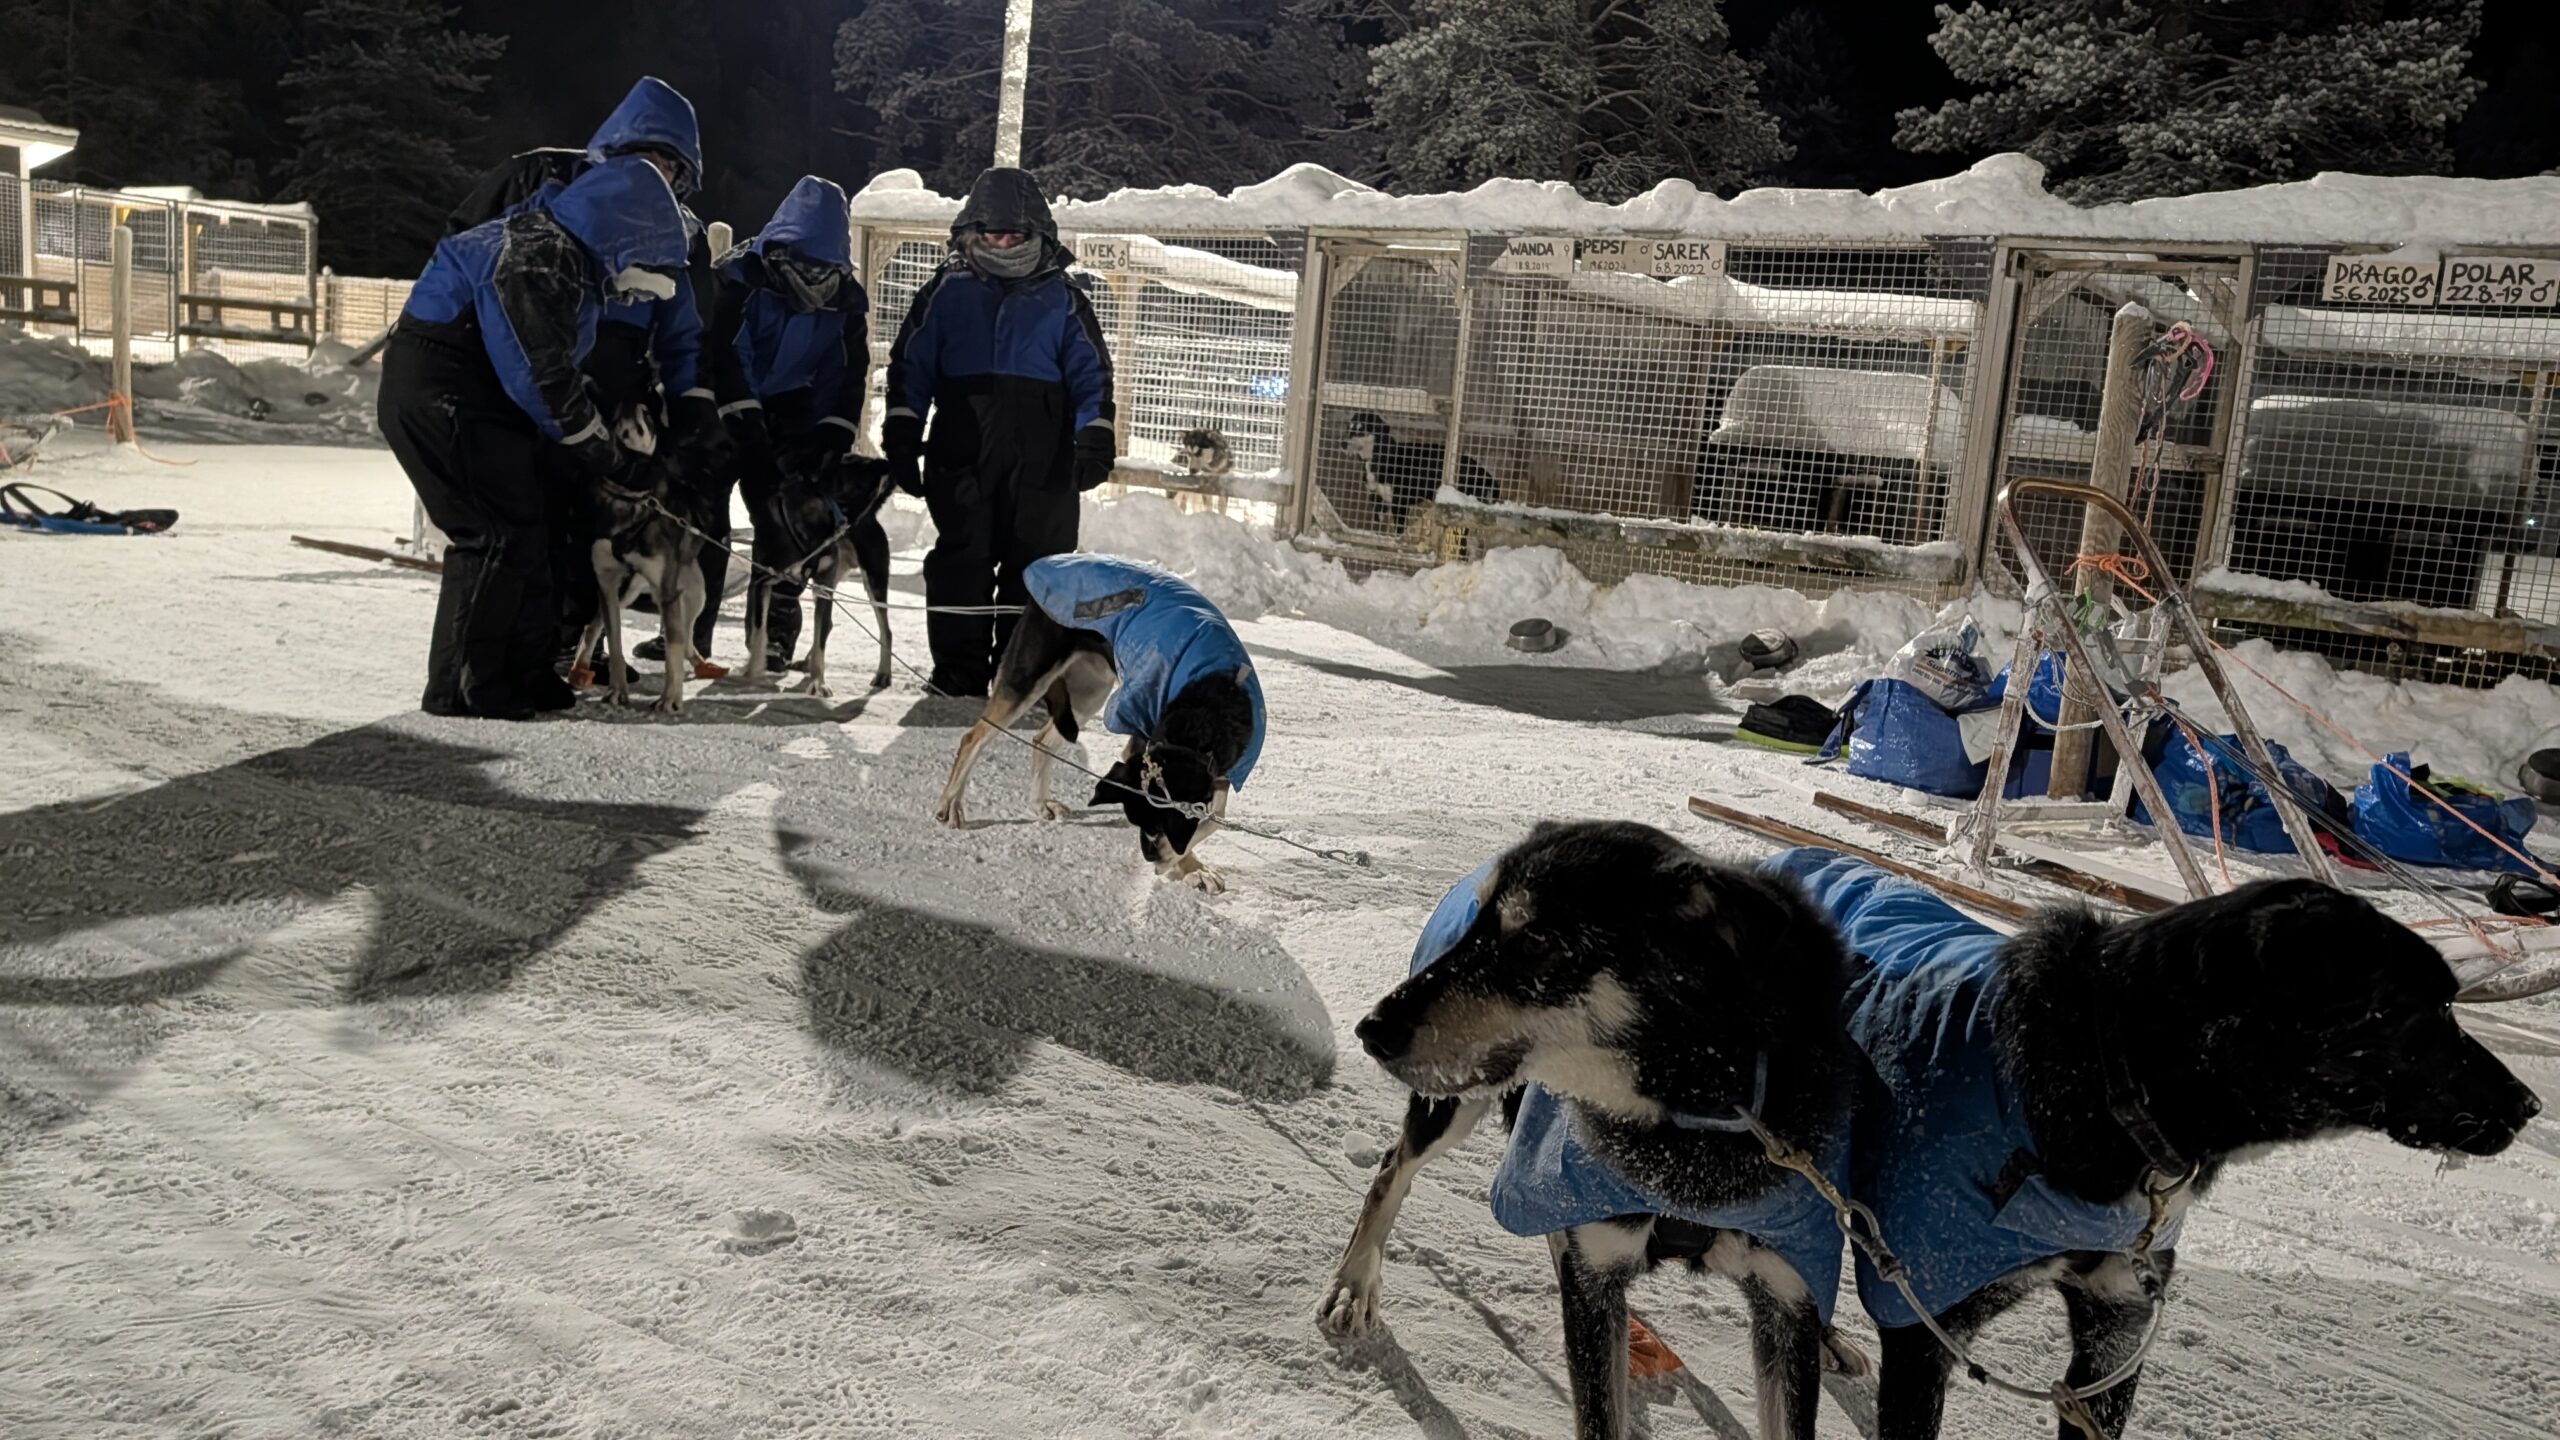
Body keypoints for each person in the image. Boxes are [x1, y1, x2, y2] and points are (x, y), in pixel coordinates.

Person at [380, 155, 690, 719]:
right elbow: (538, 373)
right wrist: (607, 456)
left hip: (472, 396)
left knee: (521, 529)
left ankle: (498, 677)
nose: (636, 293)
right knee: (497, 533)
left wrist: (591, 433)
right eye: (642, 271)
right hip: (447, 391)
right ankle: (478, 683)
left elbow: (558, 372)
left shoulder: (566, 258)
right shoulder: (537, 255)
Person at [445, 76, 727, 672]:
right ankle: (524, 657)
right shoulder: (547, 185)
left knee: (594, 531)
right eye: (650, 158)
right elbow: (484, 259)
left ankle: (571, 650)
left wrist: (694, 402)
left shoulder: (677, 233)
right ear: (616, 153)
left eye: (673, 168)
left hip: (618, 394)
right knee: (533, 521)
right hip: (536, 372)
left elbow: (680, 331)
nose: (661, 176)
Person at [883, 167, 1116, 699]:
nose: (1005, 242)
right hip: (963, 444)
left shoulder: (1062, 297)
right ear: (972, 232)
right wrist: (902, 432)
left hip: (1045, 453)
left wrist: (1095, 435)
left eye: (1016, 233)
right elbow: (910, 368)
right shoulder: (945, 291)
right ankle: (957, 674)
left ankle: (1021, 676)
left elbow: (1091, 376)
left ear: (1038, 234)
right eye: (994, 233)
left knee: (1036, 568)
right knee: (960, 559)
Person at [703, 176, 870, 672]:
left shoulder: (845, 303)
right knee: (705, 520)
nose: (813, 276)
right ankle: (692, 634)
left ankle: (775, 637)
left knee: (788, 520)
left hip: (793, 407)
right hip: (726, 405)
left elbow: (845, 374)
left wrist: (831, 433)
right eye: (803, 262)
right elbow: (725, 353)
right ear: (778, 249)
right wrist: (743, 418)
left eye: (823, 266)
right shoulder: (740, 281)